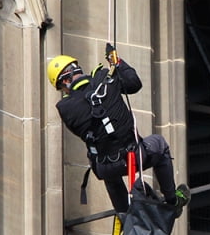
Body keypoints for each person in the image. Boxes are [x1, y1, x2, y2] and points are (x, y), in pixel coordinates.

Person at [48, 45, 189, 215]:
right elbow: (134, 84)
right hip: (132, 156)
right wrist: (117, 62)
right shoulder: (104, 77)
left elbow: (81, 130)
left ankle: (124, 214)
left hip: (105, 166)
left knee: (108, 171)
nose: (63, 92)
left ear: (65, 81)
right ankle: (173, 200)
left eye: (61, 89)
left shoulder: (64, 108)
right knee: (159, 144)